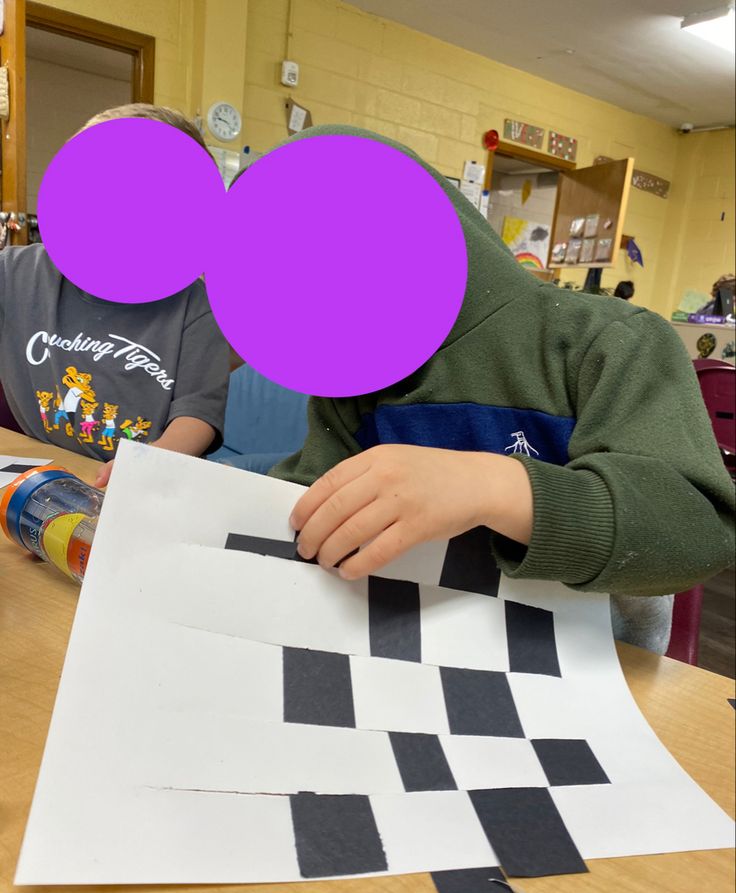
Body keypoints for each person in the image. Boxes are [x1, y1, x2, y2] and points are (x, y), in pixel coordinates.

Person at [273, 124, 735, 654]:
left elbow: (698, 532)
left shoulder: (607, 342)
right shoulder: (353, 377)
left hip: (594, 674)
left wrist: (491, 488)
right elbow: (305, 508)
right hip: (406, 652)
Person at [0, 103, 230, 488]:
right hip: (34, 472)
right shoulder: (15, 272)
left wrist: (153, 461)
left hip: (139, 482)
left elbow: (198, 414)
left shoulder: (196, 307)